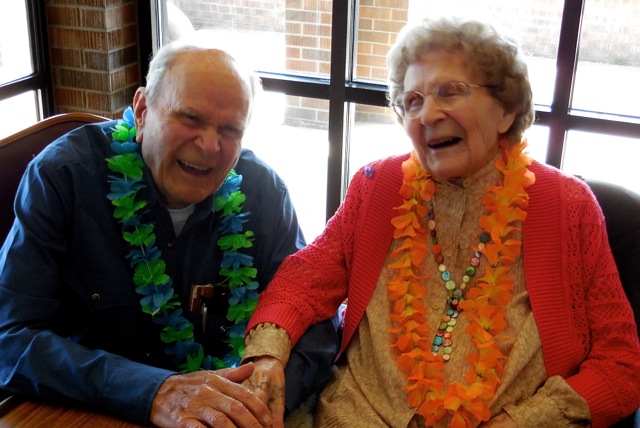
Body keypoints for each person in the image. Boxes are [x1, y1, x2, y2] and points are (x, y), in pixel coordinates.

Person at [242, 17, 640, 428]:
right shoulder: (376, 186)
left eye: (451, 92)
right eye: (412, 100)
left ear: (505, 109)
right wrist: (268, 354)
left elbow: (620, 365)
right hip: (354, 417)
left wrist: (526, 421)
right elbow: (304, 279)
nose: (428, 114)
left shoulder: (568, 206)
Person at [0, 34, 337, 427]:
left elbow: (315, 313)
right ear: (142, 111)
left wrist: (264, 395)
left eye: (230, 129)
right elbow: (10, 338)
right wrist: (152, 390)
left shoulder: (262, 190)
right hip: (90, 412)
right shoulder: (62, 178)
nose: (210, 145)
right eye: (190, 118)